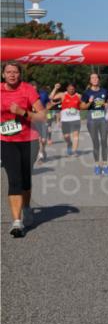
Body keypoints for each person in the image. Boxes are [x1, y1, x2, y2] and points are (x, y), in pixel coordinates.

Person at [1, 63, 47, 237]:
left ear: (19, 75)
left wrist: (23, 112)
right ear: (3, 74)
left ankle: (26, 207)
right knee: (14, 179)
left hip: (29, 140)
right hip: (6, 140)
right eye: (8, 72)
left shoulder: (27, 90)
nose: (12, 75)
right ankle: (16, 222)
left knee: (25, 179)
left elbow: (42, 116)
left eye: (15, 72)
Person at [81, 73, 108, 176]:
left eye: (96, 77)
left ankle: (105, 166)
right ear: (90, 80)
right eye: (92, 78)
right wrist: (89, 102)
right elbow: (82, 107)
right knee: (96, 143)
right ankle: (97, 165)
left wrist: (105, 104)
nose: (94, 79)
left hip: (103, 118)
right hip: (92, 120)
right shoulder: (87, 93)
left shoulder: (104, 91)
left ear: (99, 79)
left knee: (104, 141)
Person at [49, 81, 83, 155]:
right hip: (65, 120)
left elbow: (82, 105)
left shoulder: (79, 96)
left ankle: (74, 151)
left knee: (76, 136)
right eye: (70, 89)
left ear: (75, 89)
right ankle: (69, 144)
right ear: (67, 88)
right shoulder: (62, 95)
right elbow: (51, 97)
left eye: (73, 89)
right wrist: (55, 88)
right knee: (66, 136)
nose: (71, 90)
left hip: (76, 119)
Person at [30, 81, 51, 162]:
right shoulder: (27, 95)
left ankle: (43, 150)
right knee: (38, 139)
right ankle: (40, 154)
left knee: (43, 140)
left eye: (35, 88)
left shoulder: (43, 94)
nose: (33, 90)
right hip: (33, 120)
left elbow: (49, 105)